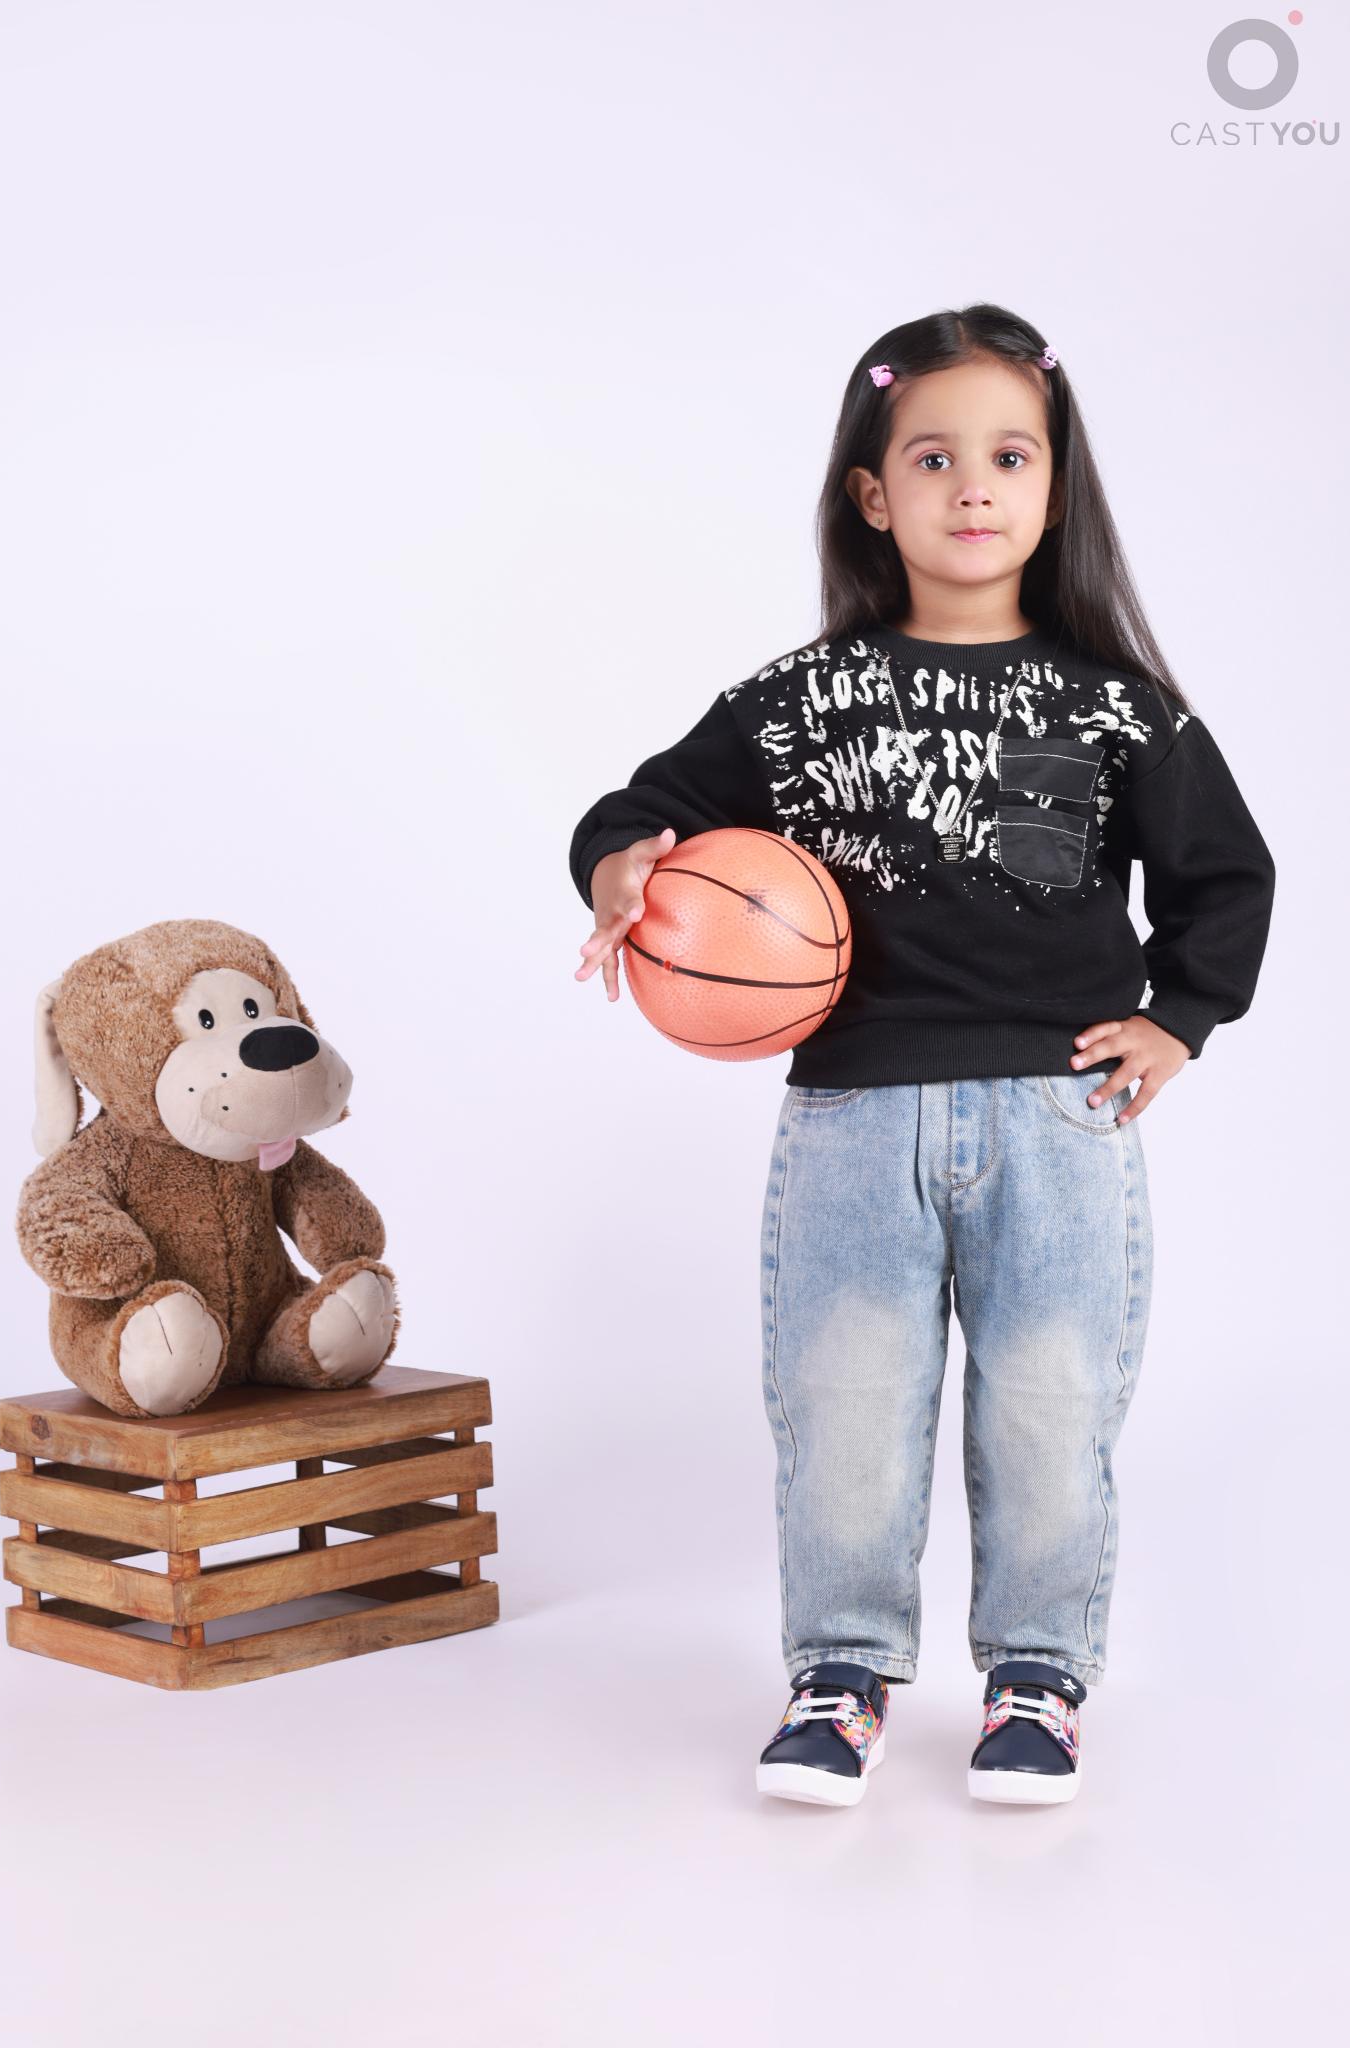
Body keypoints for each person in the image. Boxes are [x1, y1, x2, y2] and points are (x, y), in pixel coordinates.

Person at [567, 303, 1275, 1809]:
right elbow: (638, 807)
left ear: (1055, 490)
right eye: (933, 457)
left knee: (1050, 1406)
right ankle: (839, 1677)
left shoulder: (1116, 707)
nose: (972, 486)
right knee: (842, 1408)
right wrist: (622, 866)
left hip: (1061, 1116)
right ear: (871, 494)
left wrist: (1181, 1017)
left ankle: (1037, 1680)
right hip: (850, 1117)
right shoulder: (798, 699)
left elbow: (1227, 875)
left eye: (1009, 456)